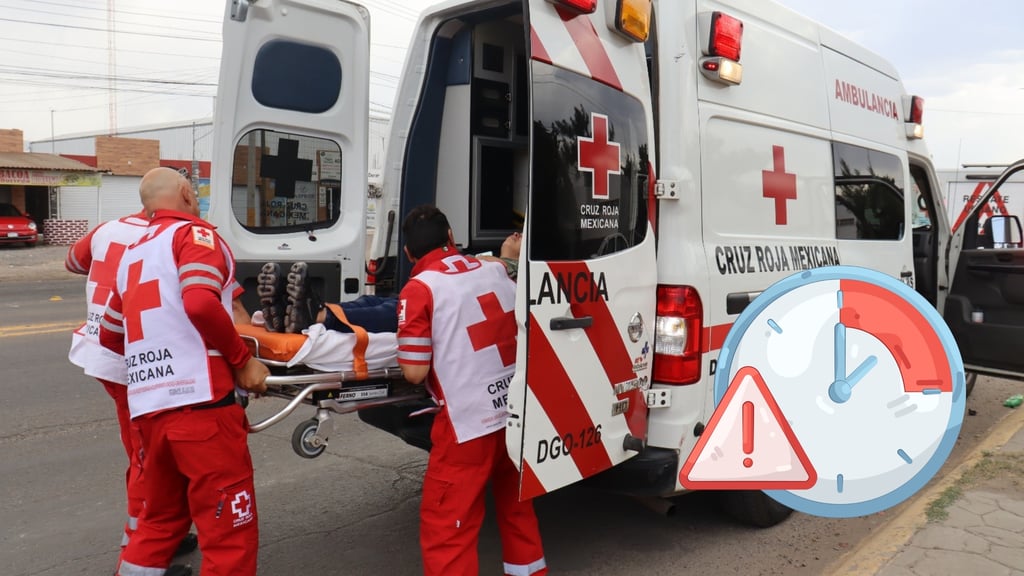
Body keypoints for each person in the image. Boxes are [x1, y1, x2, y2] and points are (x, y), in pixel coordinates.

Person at [99, 167, 269, 576]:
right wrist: (242, 360)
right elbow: (200, 302)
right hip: (202, 410)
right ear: (186, 193)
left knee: (157, 524)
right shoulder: (193, 236)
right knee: (229, 533)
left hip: (150, 413)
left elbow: (109, 334)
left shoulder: (132, 253)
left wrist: (157, 365)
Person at [395, 205, 546, 576]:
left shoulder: (420, 288)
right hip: (514, 414)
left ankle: (322, 315)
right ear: (451, 237)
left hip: (467, 426)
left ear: (409, 254)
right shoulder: (495, 269)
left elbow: (414, 372)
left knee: (448, 529)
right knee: (517, 510)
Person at [65, 210, 199, 562]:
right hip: (136, 358)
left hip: (102, 350)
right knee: (148, 458)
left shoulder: (108, 229)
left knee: (142, 452)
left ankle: (159, 535)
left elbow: (73, 262)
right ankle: (142, 546)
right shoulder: (174, 238)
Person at [255, 230, 523, 335]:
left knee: (392, 312)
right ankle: (300, 311)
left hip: (451, 307)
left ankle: (318, 316)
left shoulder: (515, 271)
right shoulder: (494, 264)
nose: (516, 233)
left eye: (522, 236)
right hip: (451, 299)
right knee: (372, 300)